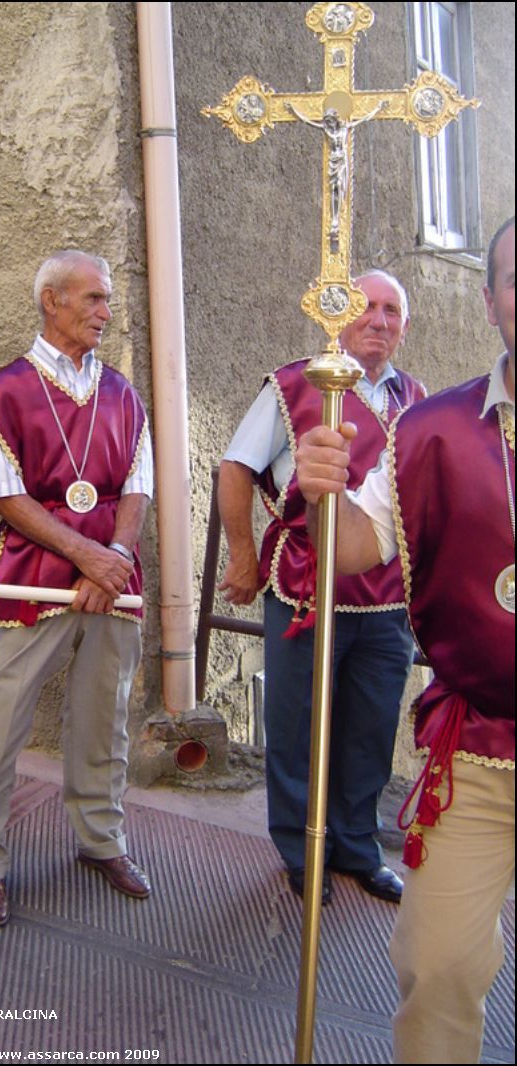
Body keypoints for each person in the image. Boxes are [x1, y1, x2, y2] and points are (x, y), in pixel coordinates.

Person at [295, 217, 514, 1064]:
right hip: (481, 753)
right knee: (437, 965)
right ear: (490, 299)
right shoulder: (432, 431)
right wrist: (324, 489)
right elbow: (353, 549)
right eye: (512, 279)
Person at [0, 250, 154, 927]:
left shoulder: (123, 392)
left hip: (113, 578)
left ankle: (102, 840)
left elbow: (137, 485)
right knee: (3, 720)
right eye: (94, 298)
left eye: (106, 300)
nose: (106, 311)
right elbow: (4, 495)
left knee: (107, 714)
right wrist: (88, 558)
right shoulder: (2, 393)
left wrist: (117, 557)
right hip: (35, 579)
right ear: (52, 301)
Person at [218, 271, 427, 904]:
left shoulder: (416, 397)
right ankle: (301, 850)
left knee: (369, 730)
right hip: (307, 589)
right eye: (367, 305)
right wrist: (243, 556)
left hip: (388, 600)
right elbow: (236, 467)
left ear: (404, 327)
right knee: (298, 727)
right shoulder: (294, 383)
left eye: (393, 311)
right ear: (340, 314)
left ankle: (359, 849)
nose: (379, 320)